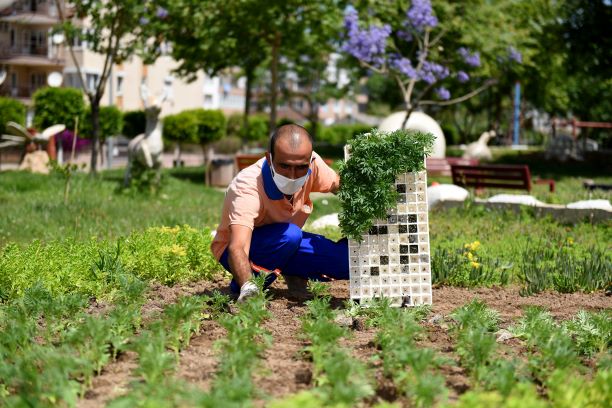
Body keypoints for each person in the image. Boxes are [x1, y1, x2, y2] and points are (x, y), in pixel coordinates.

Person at [210, 124, 349, 301]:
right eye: (284, 166)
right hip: (243, 248)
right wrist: (247, 286)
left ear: (310, 161)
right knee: (289, 236)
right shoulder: (248, 186)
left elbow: (339, 185)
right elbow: (238, 246)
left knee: (347, 261)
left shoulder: (313, 164)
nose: (292, 175)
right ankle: (245, 286)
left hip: (287, 242)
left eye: (300, 167)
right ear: (269, 159)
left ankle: (290, 269)